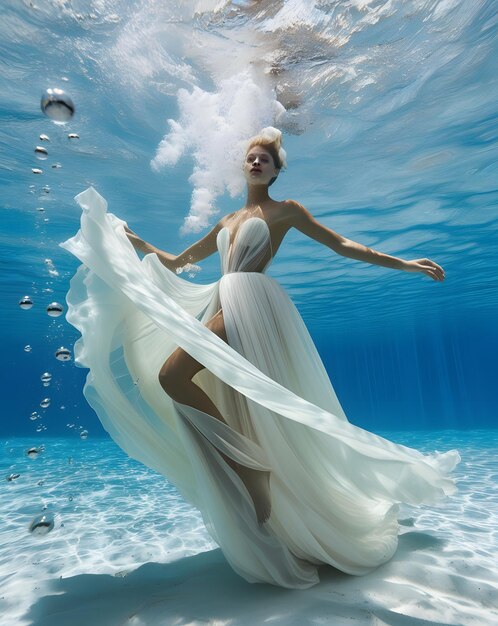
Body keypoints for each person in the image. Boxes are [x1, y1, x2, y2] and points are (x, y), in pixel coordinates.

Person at [60, 127, 460, 589]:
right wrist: (131, 243)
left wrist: (406, 263)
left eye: (265, 159)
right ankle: (254, 468)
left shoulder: (286, 211)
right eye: (251, 157)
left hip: (252, 301)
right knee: (217, 393)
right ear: (243, 165)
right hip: (225, 297)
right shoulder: (228, 220)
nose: (256, 163)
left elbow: (342, 246)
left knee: (174, 375)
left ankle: (251, 465)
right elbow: (177, 262)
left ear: (276, 169)